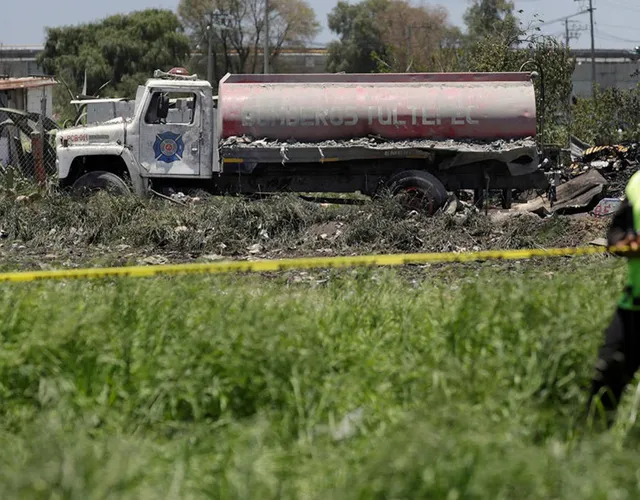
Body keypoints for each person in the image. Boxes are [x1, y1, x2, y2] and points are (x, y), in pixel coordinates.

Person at [587, 170, 640, 426]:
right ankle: (595, 451)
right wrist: (624, 243)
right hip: (633, 306)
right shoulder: (637, 182)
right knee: (605, 377)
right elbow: (616, 232)